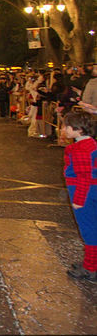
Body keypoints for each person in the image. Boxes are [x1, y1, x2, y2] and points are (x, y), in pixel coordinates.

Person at [61, 110, 97, 282]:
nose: (64, 129)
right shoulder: (92, 145)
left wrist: (78, 200)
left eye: (67, 126)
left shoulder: (79, 149)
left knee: (88, 230)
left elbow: (84, 177)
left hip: (83, 192)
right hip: (91, 191)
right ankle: (91, 262)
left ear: (78, 129)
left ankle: (90, 267)